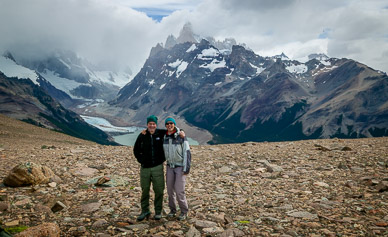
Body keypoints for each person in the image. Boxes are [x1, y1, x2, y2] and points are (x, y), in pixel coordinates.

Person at [133, 115, 166, 221]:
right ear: (147, 125)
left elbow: (172, 130)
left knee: (159, 190)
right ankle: (145, 210)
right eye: (150, 124)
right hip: (145, 168)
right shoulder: (142, 135)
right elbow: (136, 149)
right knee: (145, 190)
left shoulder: (160, 133)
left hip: (157, 167)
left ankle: (158, 211)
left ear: (156, 124)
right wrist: (141, 160)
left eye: (153, 124)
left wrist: (181, 131)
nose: (152, 125)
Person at [163, 117, 191, 221]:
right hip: (170, 166)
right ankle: (173, 210)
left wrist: (186, 168)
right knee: (170, 191)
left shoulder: (181, 136)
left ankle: (184, 211)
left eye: (171, 123)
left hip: (180, 167)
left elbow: (187, 152)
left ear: (174, 124)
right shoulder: (165, 136)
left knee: (180, 191)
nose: (169, 125)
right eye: (167, 124)